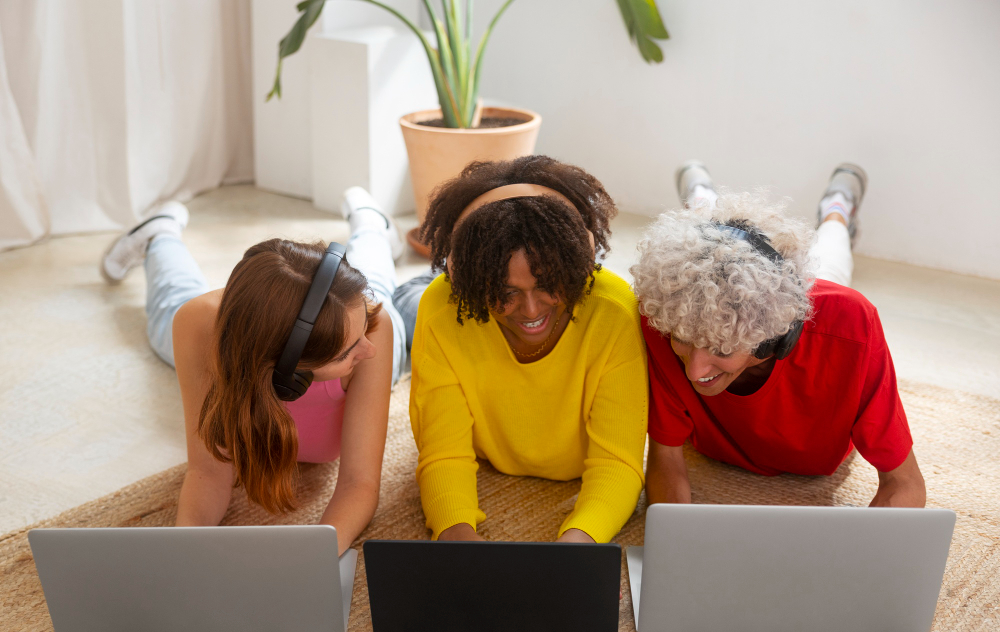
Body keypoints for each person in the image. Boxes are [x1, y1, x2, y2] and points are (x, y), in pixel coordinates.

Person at [100, 187, 421, 554]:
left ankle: (371, 226)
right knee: (167, 317)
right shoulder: (201, 326)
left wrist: (311, 559)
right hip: (239, 334)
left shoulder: (374, 333)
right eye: (345, 351)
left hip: (365, 310)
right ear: (286, 369)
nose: (369, 350)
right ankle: (160, 236)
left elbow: (359, 485)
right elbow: (207, 472)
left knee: (377, 289)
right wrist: (186, 549)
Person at [631, 162, 926, 508]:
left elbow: (905, 484)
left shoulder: (850, 326)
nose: (694, 372)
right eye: (683, 340)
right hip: (720, 265)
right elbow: (665, 460)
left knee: (828, 255)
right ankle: (700, 195)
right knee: (709, 239)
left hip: (806, 298)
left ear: (773, 339)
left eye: (719, 347)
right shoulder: (669, 316)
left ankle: (837, 207)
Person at [408, 155, 648, 544]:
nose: (532, 311)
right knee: (388, 302)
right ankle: (367, 222)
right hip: (418, 302)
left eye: (547, 285)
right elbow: (443, 454)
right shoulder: (441, 311)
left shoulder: (616, 311)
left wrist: (578, 543)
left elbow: (618, 463)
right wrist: (456, 538)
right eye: (506, 293)